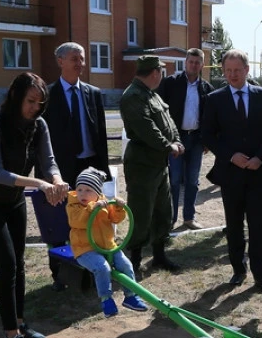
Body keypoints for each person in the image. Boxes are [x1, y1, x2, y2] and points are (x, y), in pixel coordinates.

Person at [0, 72, 69, 338]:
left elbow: (48, 161)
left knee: (19, 263)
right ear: (15, 96)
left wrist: (57, 179)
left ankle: (21, 325)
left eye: (40, 103)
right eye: (30, 101)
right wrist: (38, 184)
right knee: (7, 264)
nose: (35, 107)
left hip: (12, 201)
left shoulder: (39, 124)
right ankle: (10, 336)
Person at [201, 49, 262, 292]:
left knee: (258, 225)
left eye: (237, 70)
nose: (232, 75)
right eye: (228, 71)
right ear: (223, 71)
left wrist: (260, 157)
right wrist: (230, 155)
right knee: (234, 224)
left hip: (257, 172)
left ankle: (260, 274)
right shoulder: (215, 99)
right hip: (230, 173)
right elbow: (207, 135)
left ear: (247, 70)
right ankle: (238, 269)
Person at [44, 42, 111, 290]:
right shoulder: (48, 96)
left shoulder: (93, 93)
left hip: (90, 170)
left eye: (82, 59)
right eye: (74, 58)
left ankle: (90, 273)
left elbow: (101, 133)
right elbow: (42, 139)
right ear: (60, 61)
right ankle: (60, 276)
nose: (80, 63)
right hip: (61, 172)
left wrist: (103, 171)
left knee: (93, 220)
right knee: (61, 222)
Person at [120, 55, 184, 276]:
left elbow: (169, 122)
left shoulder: (152, 95)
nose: (162, 75)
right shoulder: (132, 96)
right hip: (142, 164)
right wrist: (169, 146)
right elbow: (147, 129)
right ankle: (134, 262)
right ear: (155, 72)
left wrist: (176, 140)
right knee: (141, 212)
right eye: (161, 72)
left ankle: (159, 255)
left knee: (162, 211)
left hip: (159, 164)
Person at [66, 167, 148, 317]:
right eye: (80, 189)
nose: (83, 194)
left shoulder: (104, 203)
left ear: (97, 193)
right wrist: (91, 208)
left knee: (126, 265)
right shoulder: (73, 206)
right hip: (85, 249)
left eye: (88, 190)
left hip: (108, 246)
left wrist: (118, 207)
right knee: (102, 267)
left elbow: (116, 219)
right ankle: (106, 299)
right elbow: (77, 222)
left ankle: (131, 296)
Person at [158, 48, 214, 230]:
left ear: (202, 65)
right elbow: (159, 111)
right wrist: (167, 139)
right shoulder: (170, 83)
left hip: (196, 140)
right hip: (176, 140)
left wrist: (207, 140)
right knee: (174, 180)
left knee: (192, 181)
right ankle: (171, 218)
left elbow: (210, 117)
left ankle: (189, 218)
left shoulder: (207, 88)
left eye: (198, 62)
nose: (194, 65)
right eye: (191, 61)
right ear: (186, 62)